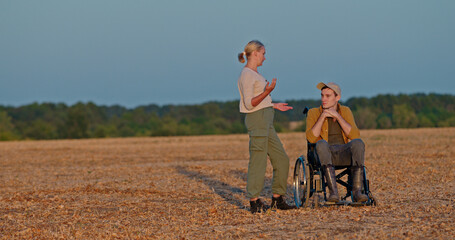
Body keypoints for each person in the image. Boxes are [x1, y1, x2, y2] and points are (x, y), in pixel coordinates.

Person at [237, 40, 295, 213]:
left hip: (266, 120)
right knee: (258, 161)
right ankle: (254, 202)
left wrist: (272, 104)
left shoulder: (255, 74)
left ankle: (277, 199)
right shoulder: (247, 74)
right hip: (258, 120)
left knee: (282, 159)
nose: (265, 57)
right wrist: (267, 92)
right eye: (263, 53)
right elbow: (249, 104)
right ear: (255, 53)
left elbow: (259, 101)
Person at [306, 82, 369, 203]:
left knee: (358, 143)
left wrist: (338, 117)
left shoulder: (345, 111)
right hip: (323, 154)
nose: (323, 99)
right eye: (322, 95)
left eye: (328, 96)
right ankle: (333, 194)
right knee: (321, 143)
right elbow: (311, 139)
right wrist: (322, 116)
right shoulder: (313, 113)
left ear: (337, 98)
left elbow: (355, 135)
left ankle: (357, 193)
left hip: (343, 152)